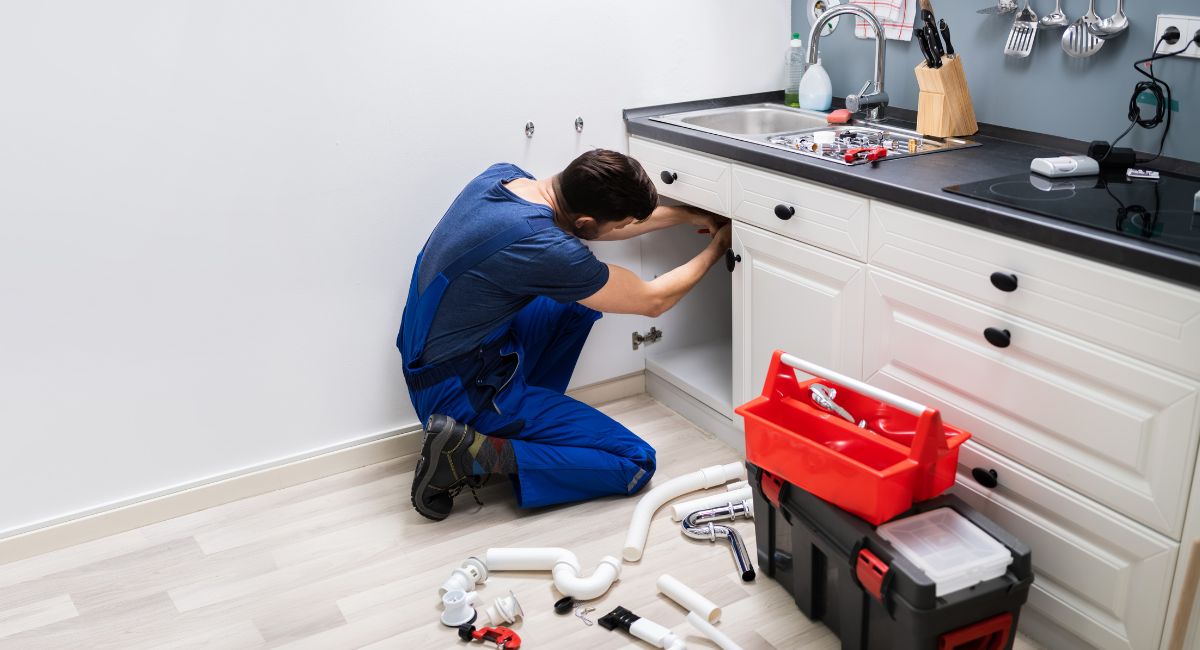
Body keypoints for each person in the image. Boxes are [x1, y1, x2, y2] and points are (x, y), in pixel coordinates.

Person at [398, 149, 730, 521]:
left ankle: (521, 427)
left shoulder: (503, 179)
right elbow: (654, 300)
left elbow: (588, 233)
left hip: (438, 358)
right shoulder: (543, 247)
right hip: (459, 392)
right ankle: (473, 453)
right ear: (585, 221)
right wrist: (721, 244)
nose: (619, 232)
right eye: (616, 227)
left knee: (574, 303)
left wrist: (687, 215)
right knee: (634, 461)